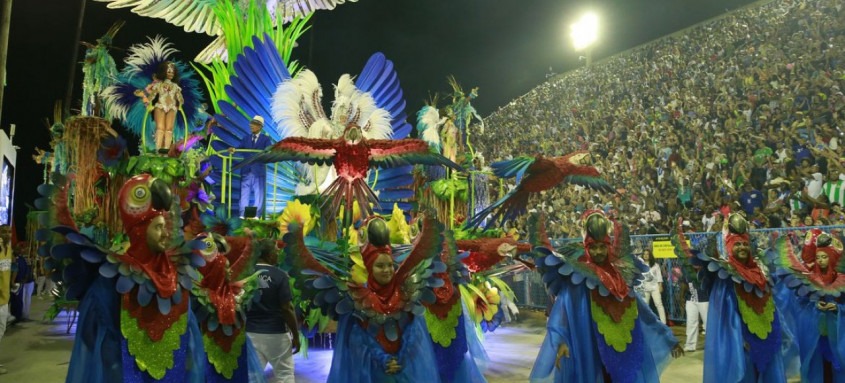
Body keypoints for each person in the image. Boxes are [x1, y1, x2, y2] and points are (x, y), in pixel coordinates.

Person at [531, 211, 681, 383]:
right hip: (590, 347)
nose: (598, 252)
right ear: (586, 247)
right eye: (593, 247)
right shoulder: (578, 276)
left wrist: (668, 337)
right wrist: (561, 341)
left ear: (609, 245)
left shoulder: (620, 275)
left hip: (622, 349)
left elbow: (642, 310)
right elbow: (563, 310)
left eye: (602, 247)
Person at [245, 239, 301, 383]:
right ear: (269, 255)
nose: (278, 255)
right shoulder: (279, 275)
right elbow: (286, 308)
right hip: (276, 334)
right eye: (276, 252)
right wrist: (295, 335)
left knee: (252, 376)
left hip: (250, 333)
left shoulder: (245, 273)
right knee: (285, 375)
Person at [135, 61, 184, 153]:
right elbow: (152, 96)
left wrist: (180, 101)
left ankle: (166, 149)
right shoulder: (158, 85)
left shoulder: (175, 86)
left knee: (169, 129)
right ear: (163, 72)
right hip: (160, 106)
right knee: (160, 128)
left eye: (172, 72)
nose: (171, 74)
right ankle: (158, 150)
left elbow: (180, 98)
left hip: (172, 107)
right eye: (169, 72)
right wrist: (144, 97)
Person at [230, 116, 272, 218]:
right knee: (244, 193)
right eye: (251, 123)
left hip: (258, 171)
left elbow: (269, 151)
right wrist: (233, 149)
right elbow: (239, 148)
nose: (251, 125)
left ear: (260, 126)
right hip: (246, 170)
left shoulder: (266, 139)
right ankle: (242, 214)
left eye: (254, 123)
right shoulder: (246, 138)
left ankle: (257, 215)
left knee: (259, 193)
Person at [680, 259, 710, 352]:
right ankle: (690, 345)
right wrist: (681, 296)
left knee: (708, 324)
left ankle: (712, 346)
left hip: (705, 300)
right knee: (691, 322)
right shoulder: (687, 270)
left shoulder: (706, 271)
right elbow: (684, 283)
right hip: (691, 300)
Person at [639, 248, 667, 324]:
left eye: (647, 254)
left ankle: (663, 323)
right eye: (644, 254)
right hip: (644, 288)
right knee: (645, 306)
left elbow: (659, 276)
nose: (645, 256)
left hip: (655, 288)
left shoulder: (655, 265)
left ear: (650, 255)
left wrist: (660, 285)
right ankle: (646, 323)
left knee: (658, 304)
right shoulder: (640, 264)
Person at [10, 242, 35, 322]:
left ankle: (20, 316)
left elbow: (26, 269)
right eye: (17, 249)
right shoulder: (12, 258)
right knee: (15, 301)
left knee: (21, 300)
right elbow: (14, 270)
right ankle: (15, 316)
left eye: (20, 249)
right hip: (15, 283)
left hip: (22, 282)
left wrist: (25, 277)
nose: (20, 250)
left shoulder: (22, 258)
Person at [0, 225, 12, 375]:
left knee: (1, 330)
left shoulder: (8, 249)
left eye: (9, 231)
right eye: (3, 231)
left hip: (4, 299)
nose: (7, 234)